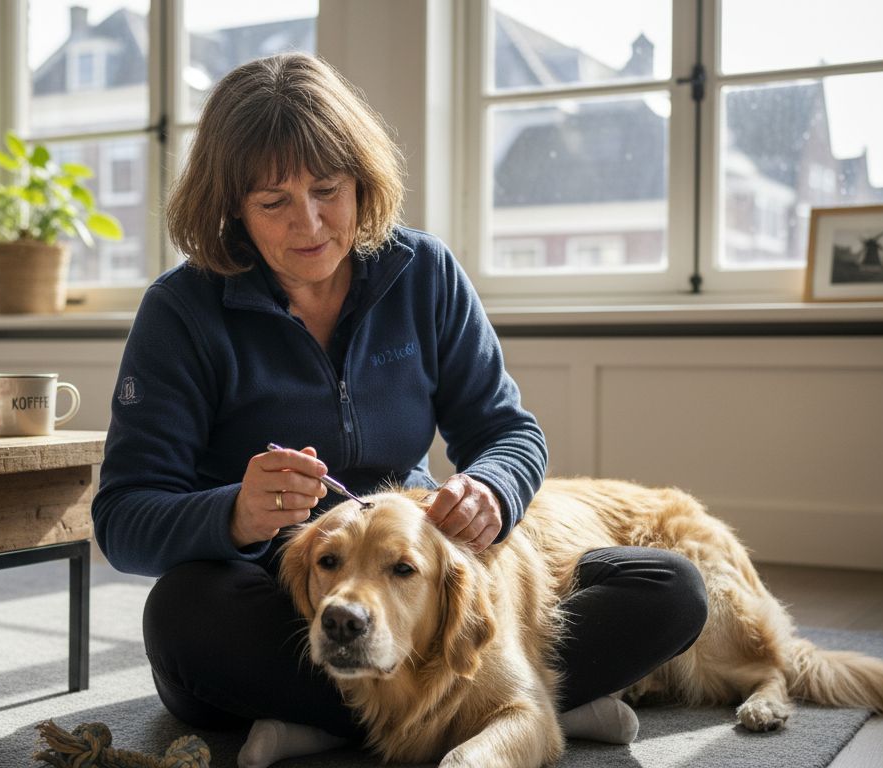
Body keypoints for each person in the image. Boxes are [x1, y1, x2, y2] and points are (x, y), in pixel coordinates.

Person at [91, 52, 707, 767]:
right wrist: (233, 512)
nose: (311, 223)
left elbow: (508, 432)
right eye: (273, 203)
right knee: (181, 618)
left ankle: (331, 721)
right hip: (276, 599)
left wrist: (493, 490)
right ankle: (522, 706)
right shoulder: (180, 311)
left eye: (329, 189)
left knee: (673, 589)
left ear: (362, 178)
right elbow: (124, 520)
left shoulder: (424, 273)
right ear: (230, 207)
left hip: (408, 598)